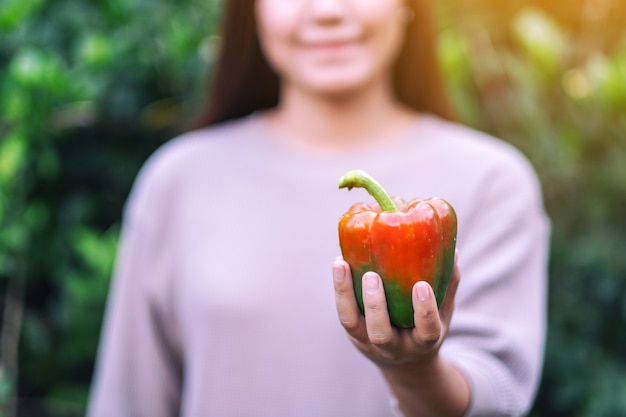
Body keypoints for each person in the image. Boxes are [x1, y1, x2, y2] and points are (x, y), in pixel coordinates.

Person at [87, 0, 550, 416]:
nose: (327, 9)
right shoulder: (177, 180)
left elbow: (498, 395)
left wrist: (414, 371)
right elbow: (128, 399)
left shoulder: (492, 180)